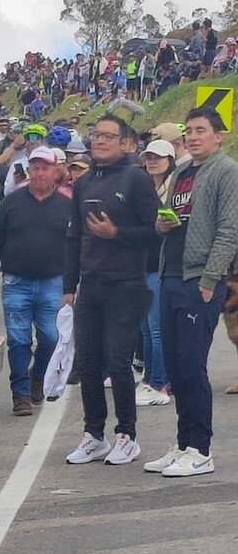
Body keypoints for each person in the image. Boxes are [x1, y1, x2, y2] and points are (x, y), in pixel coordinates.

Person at [145, 107, 238, 478]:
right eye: (190, 131)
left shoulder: (227, 172)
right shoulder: (182, 172)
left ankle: (200, 449)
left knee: (191, 365)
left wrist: (210, 279)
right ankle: (183, 443)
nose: (194, 137)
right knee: (175, 367)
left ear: (218, 136)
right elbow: (167, 219)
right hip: (170, 274)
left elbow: (229, 230)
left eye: (202, 130)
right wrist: (162, 224)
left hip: (199, 279)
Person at [63, 116, 158, 467]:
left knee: (118, 363)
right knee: (88, 363)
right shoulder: (84, 181)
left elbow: (154, 232)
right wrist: (69, 286)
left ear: (125, 143)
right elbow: (74, 237)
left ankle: (127, 436)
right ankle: (94, 435)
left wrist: (116, 234)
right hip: (90, 284)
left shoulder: (136, 178)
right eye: (96, 135)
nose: (100, 141)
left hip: (126, 283)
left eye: (107, 136)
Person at [0, 145, 72, 416]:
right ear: (29, 170)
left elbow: (76, 246)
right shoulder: (12, 202)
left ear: (56, 171)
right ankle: (19, 393)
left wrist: (73, 283)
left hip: (53, 282)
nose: (40, 173)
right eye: (35, 168)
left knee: (51, 338)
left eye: (45, 168)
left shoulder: (67, 206)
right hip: (16, 282)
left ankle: (38, 377)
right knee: (19, 340)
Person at [135, 139, 176, 410]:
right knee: (146, 330)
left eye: (158, 157)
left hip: (161, 265)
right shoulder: (146, 187)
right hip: (142, 265)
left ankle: (160, 384)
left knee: (157, 329)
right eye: (149, 157)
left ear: (169, 161)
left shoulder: (172, 188)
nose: (152, 161)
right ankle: (149, 379)